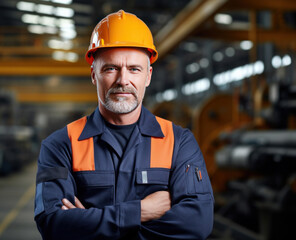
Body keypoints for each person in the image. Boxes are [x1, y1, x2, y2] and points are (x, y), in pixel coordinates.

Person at [34, 10, 214, 240]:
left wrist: (90, 222)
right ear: (93, 75)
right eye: (111, 68)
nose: (123, 80)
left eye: (134, 69)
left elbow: (197, 224)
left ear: (148, 76)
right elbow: (52, 223)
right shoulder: (60, 145)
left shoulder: (179, 142)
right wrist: (141, 211)